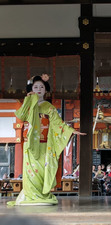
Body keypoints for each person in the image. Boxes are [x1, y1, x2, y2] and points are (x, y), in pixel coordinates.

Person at [8, 74, 86, 206]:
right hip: (30, 142)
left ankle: (41, 194)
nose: (39, 89)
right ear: (31, 89)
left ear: (46, 90)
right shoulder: (28, 103)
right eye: (36, 87)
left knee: (42, 170)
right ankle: (30, 194)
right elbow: (21, 115)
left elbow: (58, 123)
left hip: (44, 143)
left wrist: (71, 130)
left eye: (41, 87)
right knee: (30, 169)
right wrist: (28, 100)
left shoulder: (49, 107)